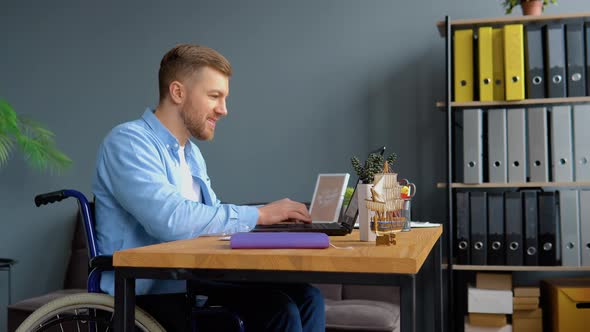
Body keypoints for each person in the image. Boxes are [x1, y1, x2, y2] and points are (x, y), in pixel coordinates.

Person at [93, 44, 325, 331]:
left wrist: (273, 225)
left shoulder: (190, 154)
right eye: (214, 96)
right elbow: (173, 221)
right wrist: (259, 215)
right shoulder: (128, 142)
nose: (224, 110)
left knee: (307, 297)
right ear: (178, 92)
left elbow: (210, 219)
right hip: (151, 294)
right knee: (279, 310)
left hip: (191, 280)